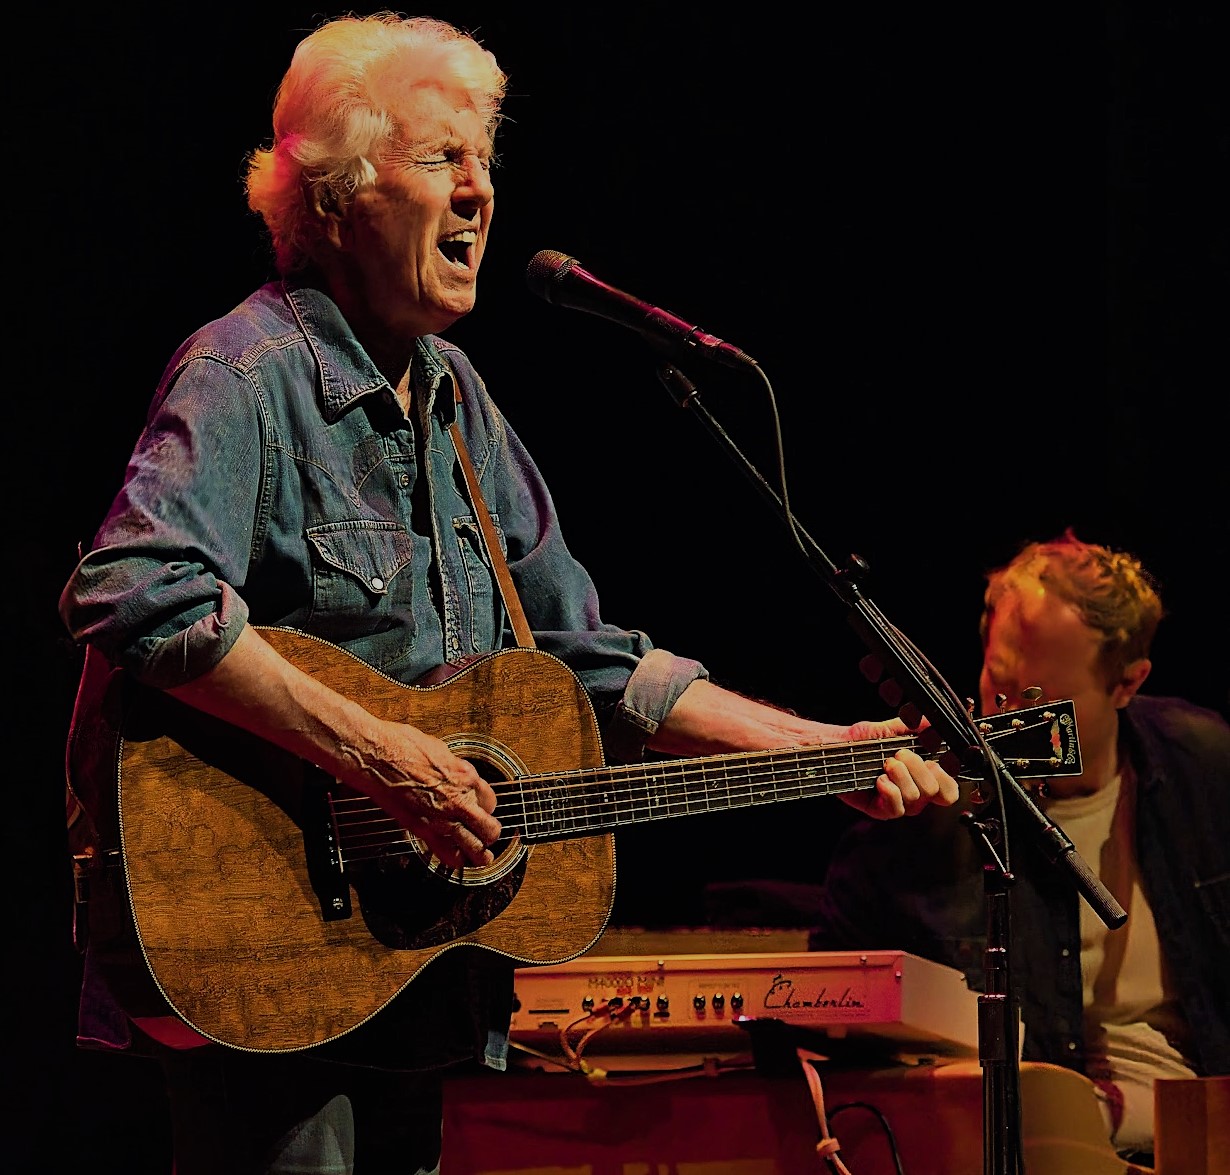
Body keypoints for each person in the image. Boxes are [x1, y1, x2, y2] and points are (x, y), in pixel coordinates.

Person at [57, 13, 959, 1175]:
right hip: (257, 932)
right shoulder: (249, 369)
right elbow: (137, 589)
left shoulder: (458, 397)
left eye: (486, 160)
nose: (480, 192)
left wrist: (823, 748)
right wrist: (382, 755)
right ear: (335, 193)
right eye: (441, 159)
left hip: (407, 960)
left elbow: (586, 655)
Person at [804, 529, 1230, 1162]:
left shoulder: (1205, 767)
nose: (1009, 719)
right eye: (997, 685)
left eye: (1041, 703)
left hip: (1194, 1136)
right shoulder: (912, 823)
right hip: (1020, 1146)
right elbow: (834, 1029)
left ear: (1127, 683)